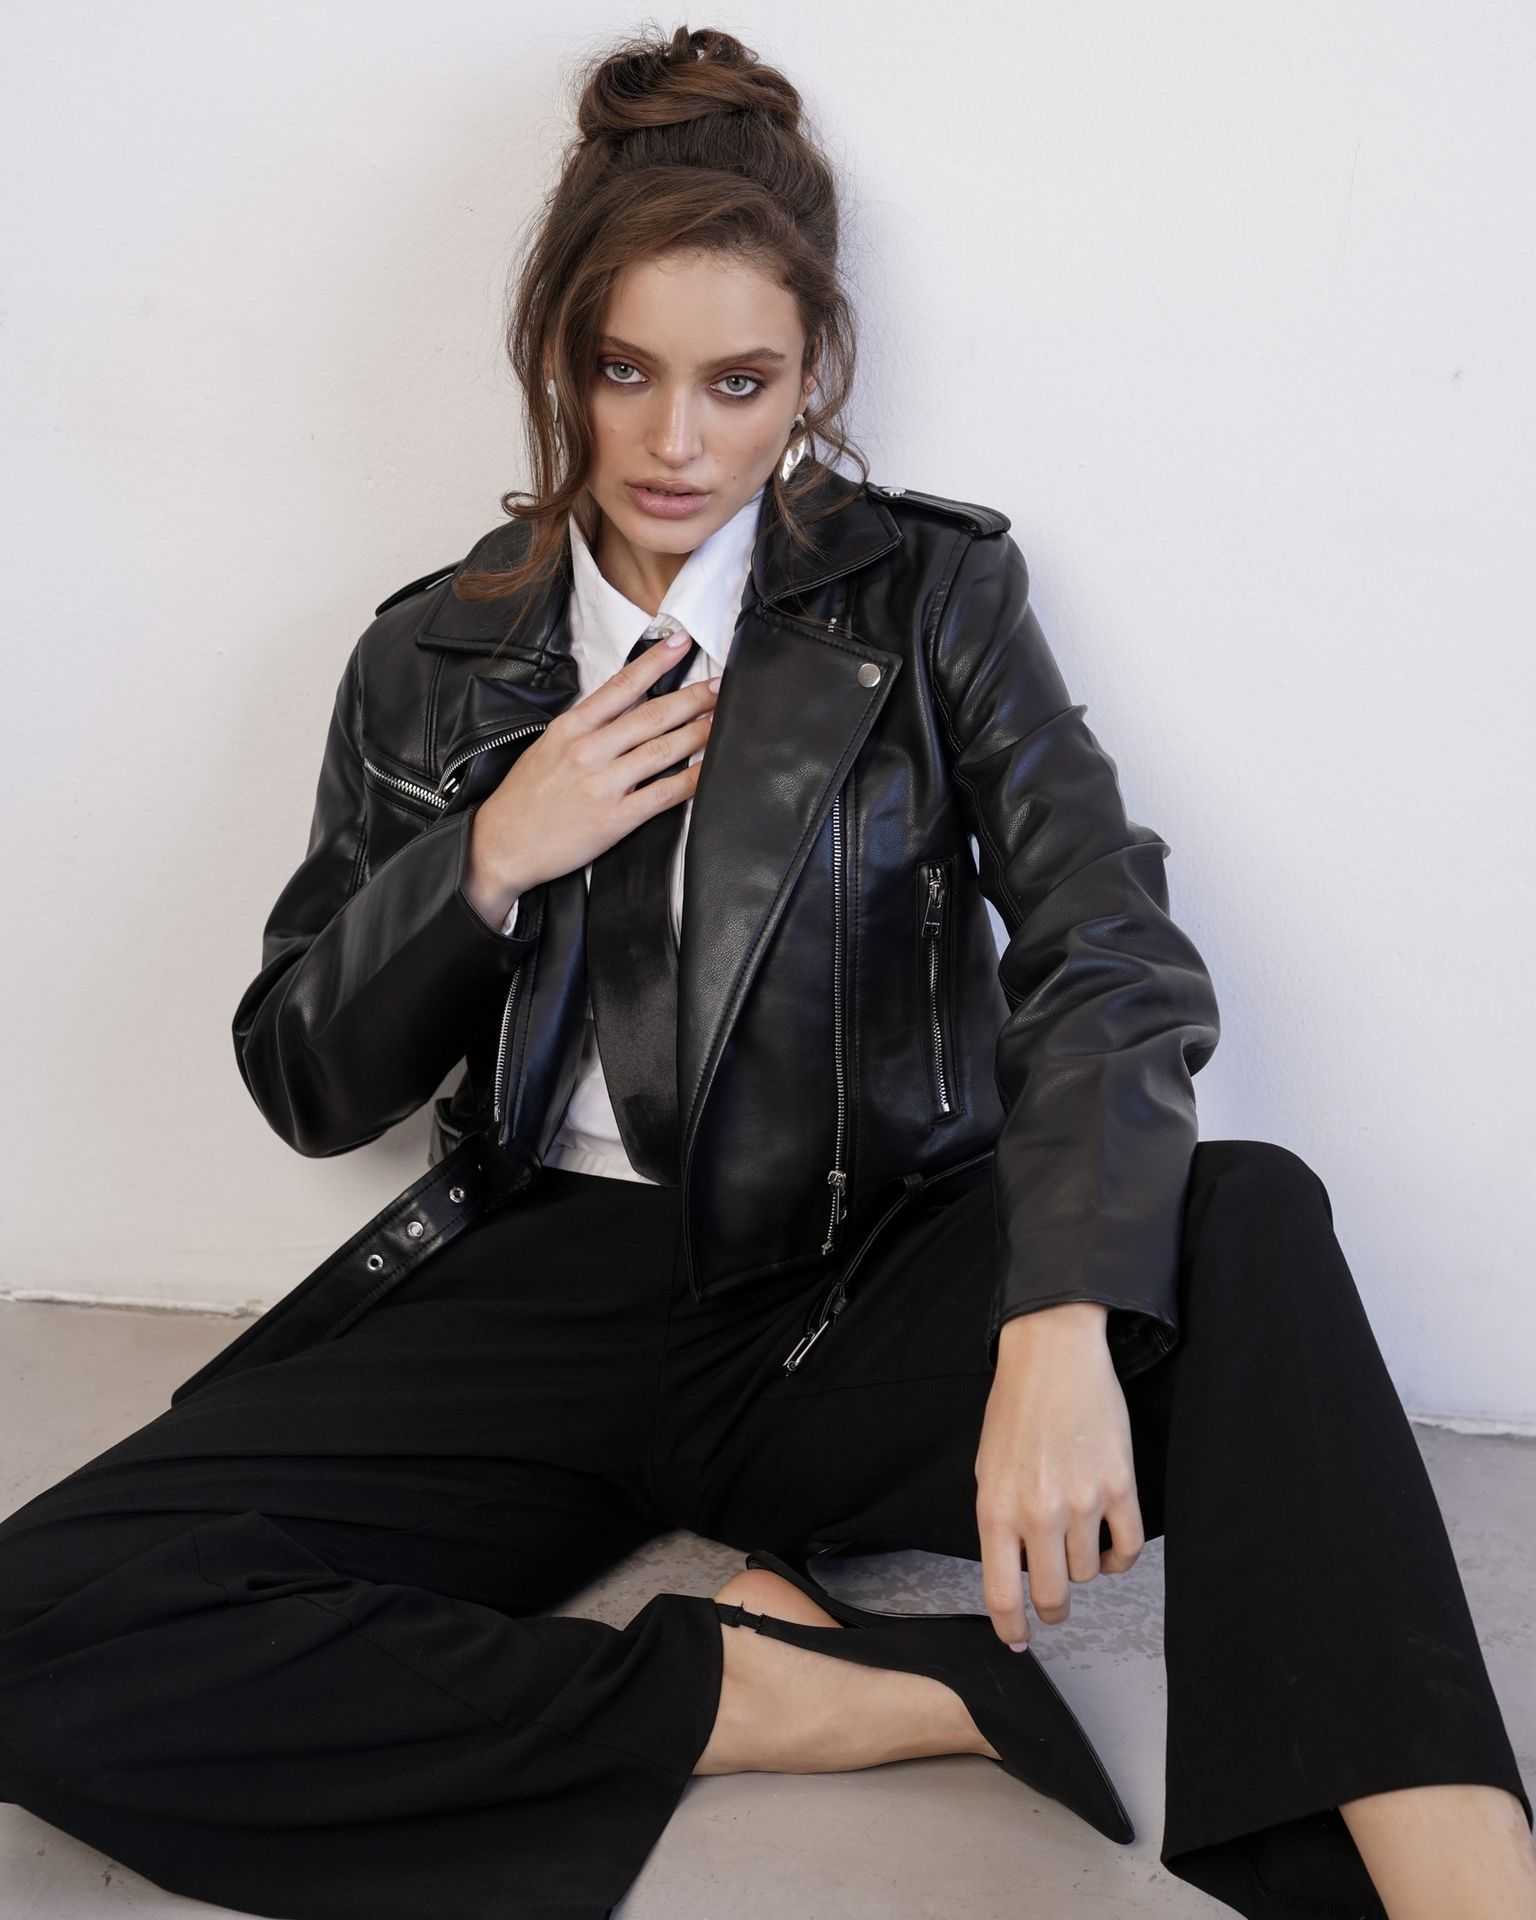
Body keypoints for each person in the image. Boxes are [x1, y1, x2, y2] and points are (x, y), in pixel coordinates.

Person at [0, 21, 1531, 1920]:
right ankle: (770, 1693)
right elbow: (307, 1083)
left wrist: (1058, 1316)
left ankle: (1467, 1884)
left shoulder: (929, 596)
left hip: (855, 1282)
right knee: (37, 1622)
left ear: (812, 378)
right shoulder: (429, 657)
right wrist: (488, 857)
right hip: (535, 1292)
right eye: (625, 372)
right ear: (556, 356)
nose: (676, 443)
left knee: (1253, 1216)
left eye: (739, 383)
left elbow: (1108, 948)